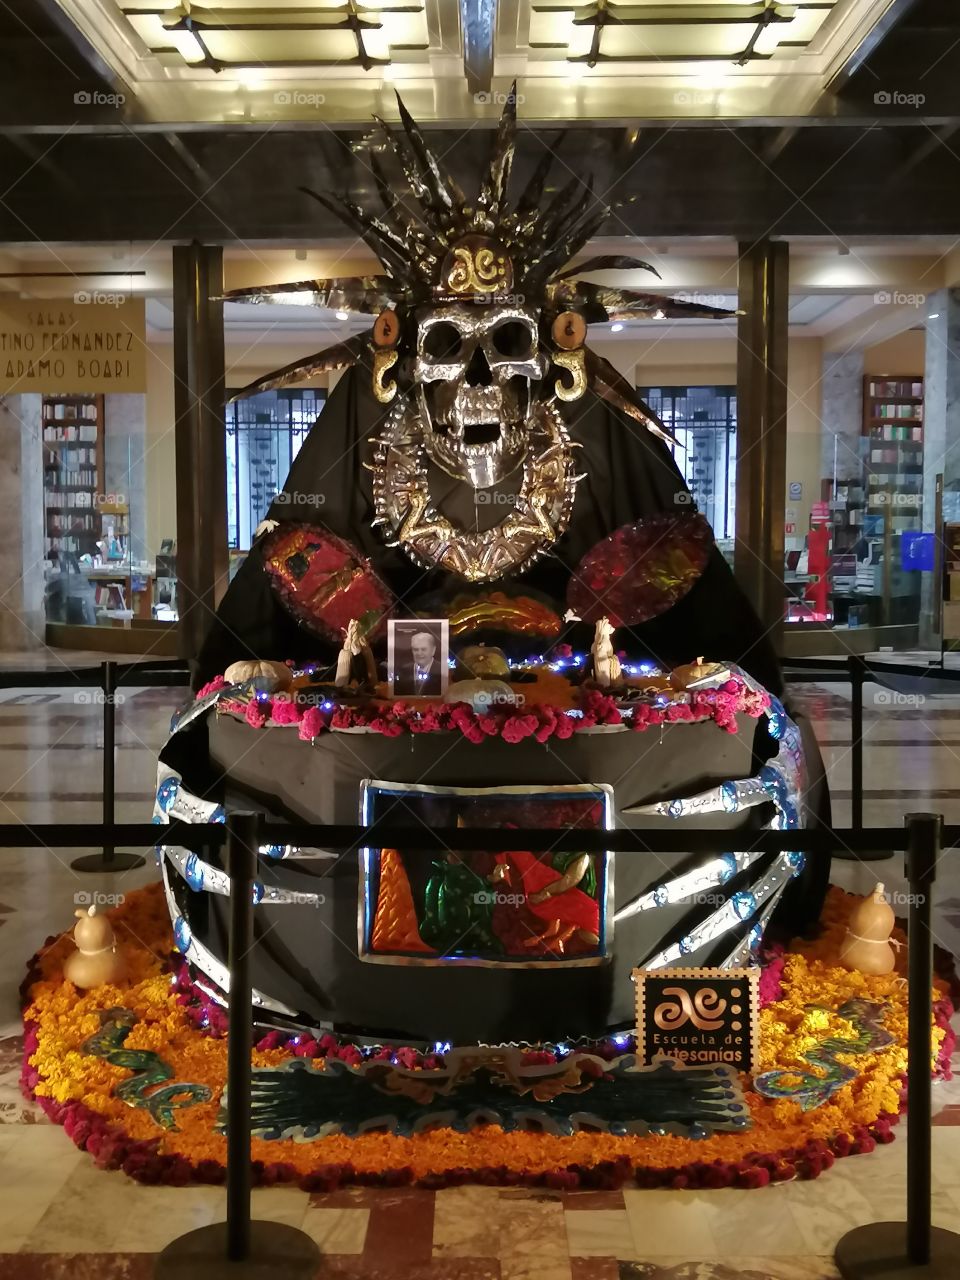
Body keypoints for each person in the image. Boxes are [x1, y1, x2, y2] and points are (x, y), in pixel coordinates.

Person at [395, 629, 443, 695]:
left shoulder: (442, 670)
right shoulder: (403, 670)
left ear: (433, 650)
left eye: (423, 649)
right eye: (415, 649)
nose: (419, 653)